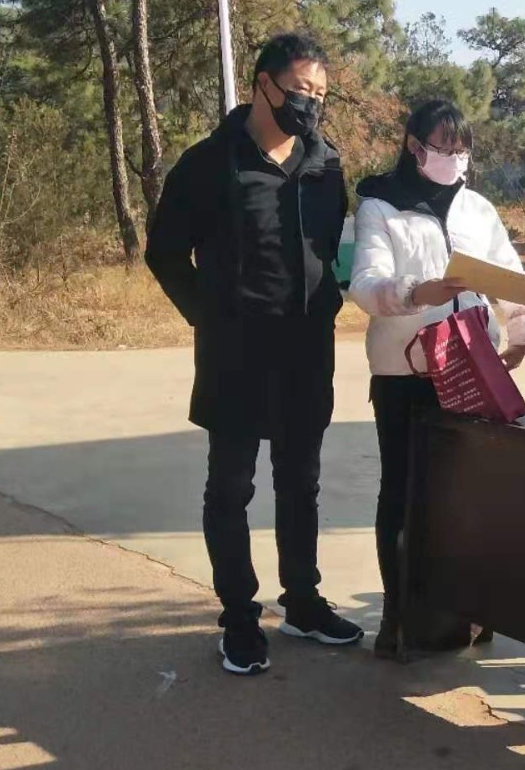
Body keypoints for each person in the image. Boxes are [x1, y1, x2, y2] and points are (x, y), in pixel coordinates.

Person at [146, 33, 364, 677]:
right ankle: (239, 617)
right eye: (300, 90)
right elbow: (164, 253)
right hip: (236, 355)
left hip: (306, 352)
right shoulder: (209, 163)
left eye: (320, 94)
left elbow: (330, 246)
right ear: (262, 84)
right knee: (231, 487)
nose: (310, 104)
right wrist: (209, 315)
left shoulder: (325, 164)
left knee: (301, 482)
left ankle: (303, 602)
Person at [348, 99, 525, 655]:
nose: (455, 160)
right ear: (414, 147)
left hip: (471, 367)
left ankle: (467, 613)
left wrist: (522, 332)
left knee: (468, 495)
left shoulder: (477, 209)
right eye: (444, 148)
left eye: (462, 151)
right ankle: (400, 617)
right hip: (405, 373)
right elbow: (365, 284)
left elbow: (509, 277)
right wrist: (416, 293)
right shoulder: (380, 206)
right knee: (403, 493)